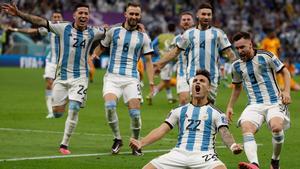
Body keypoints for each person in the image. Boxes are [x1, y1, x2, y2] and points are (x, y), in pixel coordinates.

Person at [1, 2, 106, 155]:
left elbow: (112, 30)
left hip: (80, 77)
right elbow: (39, 21)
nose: (83, 16)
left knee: (75, 108)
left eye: (86, 13)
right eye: (80, 13)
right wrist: (19, 14)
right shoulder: (62, 28)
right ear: (74, 15)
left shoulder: (93, 32)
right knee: (57, 112)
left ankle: (64, 144)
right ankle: (70, 99)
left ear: (88, 16)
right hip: (62, 77)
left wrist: (132, 26)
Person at [130, 69, 243, 169]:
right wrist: (142, 142)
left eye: (202, 81)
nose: (197, 82)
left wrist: (233, 146)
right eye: (195, 81)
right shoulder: (178, 111)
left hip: (204, 155)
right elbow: (162, 130)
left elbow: (225, 133)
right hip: (178, 153)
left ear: (209, 88)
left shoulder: (217, 113)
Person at [92, 2, 154, 156]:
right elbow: (102, 46)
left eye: (136, 14)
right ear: (125, 14)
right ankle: (117, 139)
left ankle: (136, 142)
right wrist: (93, 56)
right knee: (110, 106)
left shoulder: (143, 37)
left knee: (135, 114)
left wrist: (151, 82)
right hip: (112, 77)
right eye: (131, 13)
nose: (134, 16)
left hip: (132, 79)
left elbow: (148, 61)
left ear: (140, 16)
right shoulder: (114, 31)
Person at [226, 31, 291, 169]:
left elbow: (285, 72)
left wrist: (286, 91)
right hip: (254, 104)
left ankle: (275, 160)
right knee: (246, 127)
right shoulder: (236, 66)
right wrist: (230, 106)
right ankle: (254, 164)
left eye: (242, 47)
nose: (239, 51)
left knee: (277, 127)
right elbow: (237, 88)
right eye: (237, 48)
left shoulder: (265, 56)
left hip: (275, 101)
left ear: (250, 44)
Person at [154, 3, 237, 104]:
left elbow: (229, 52)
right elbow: (175, 52)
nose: (206, 17)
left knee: (209, 106)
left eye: (209, 14)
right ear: (197, 15)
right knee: (195, 102)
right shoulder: (189, 34)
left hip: (212, 75)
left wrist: (238, 66)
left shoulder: (218, 33)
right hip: (193, 74)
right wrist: (159, 63)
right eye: (203, 14)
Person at [9, 10, 64, 118]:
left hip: (64, 63)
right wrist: (15, 29)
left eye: (58, 17)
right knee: (49, 84)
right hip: (51, 61)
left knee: (60, 87)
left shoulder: (68, 29)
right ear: (52, 19)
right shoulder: (48, 29)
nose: (57, 19)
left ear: (62, 19)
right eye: (55, 17)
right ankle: (50, 111)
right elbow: (32, 31)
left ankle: (58, 107)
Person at [173, 11, 195, 105]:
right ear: (180, 23)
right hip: (182, 73)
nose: (186, 21)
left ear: (193, 22)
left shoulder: (200, 36)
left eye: (188, 19)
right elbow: (172, 55)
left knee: (198, 102)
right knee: (183, 101)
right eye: (184, 20)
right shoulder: (176, 39)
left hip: (198, 73)